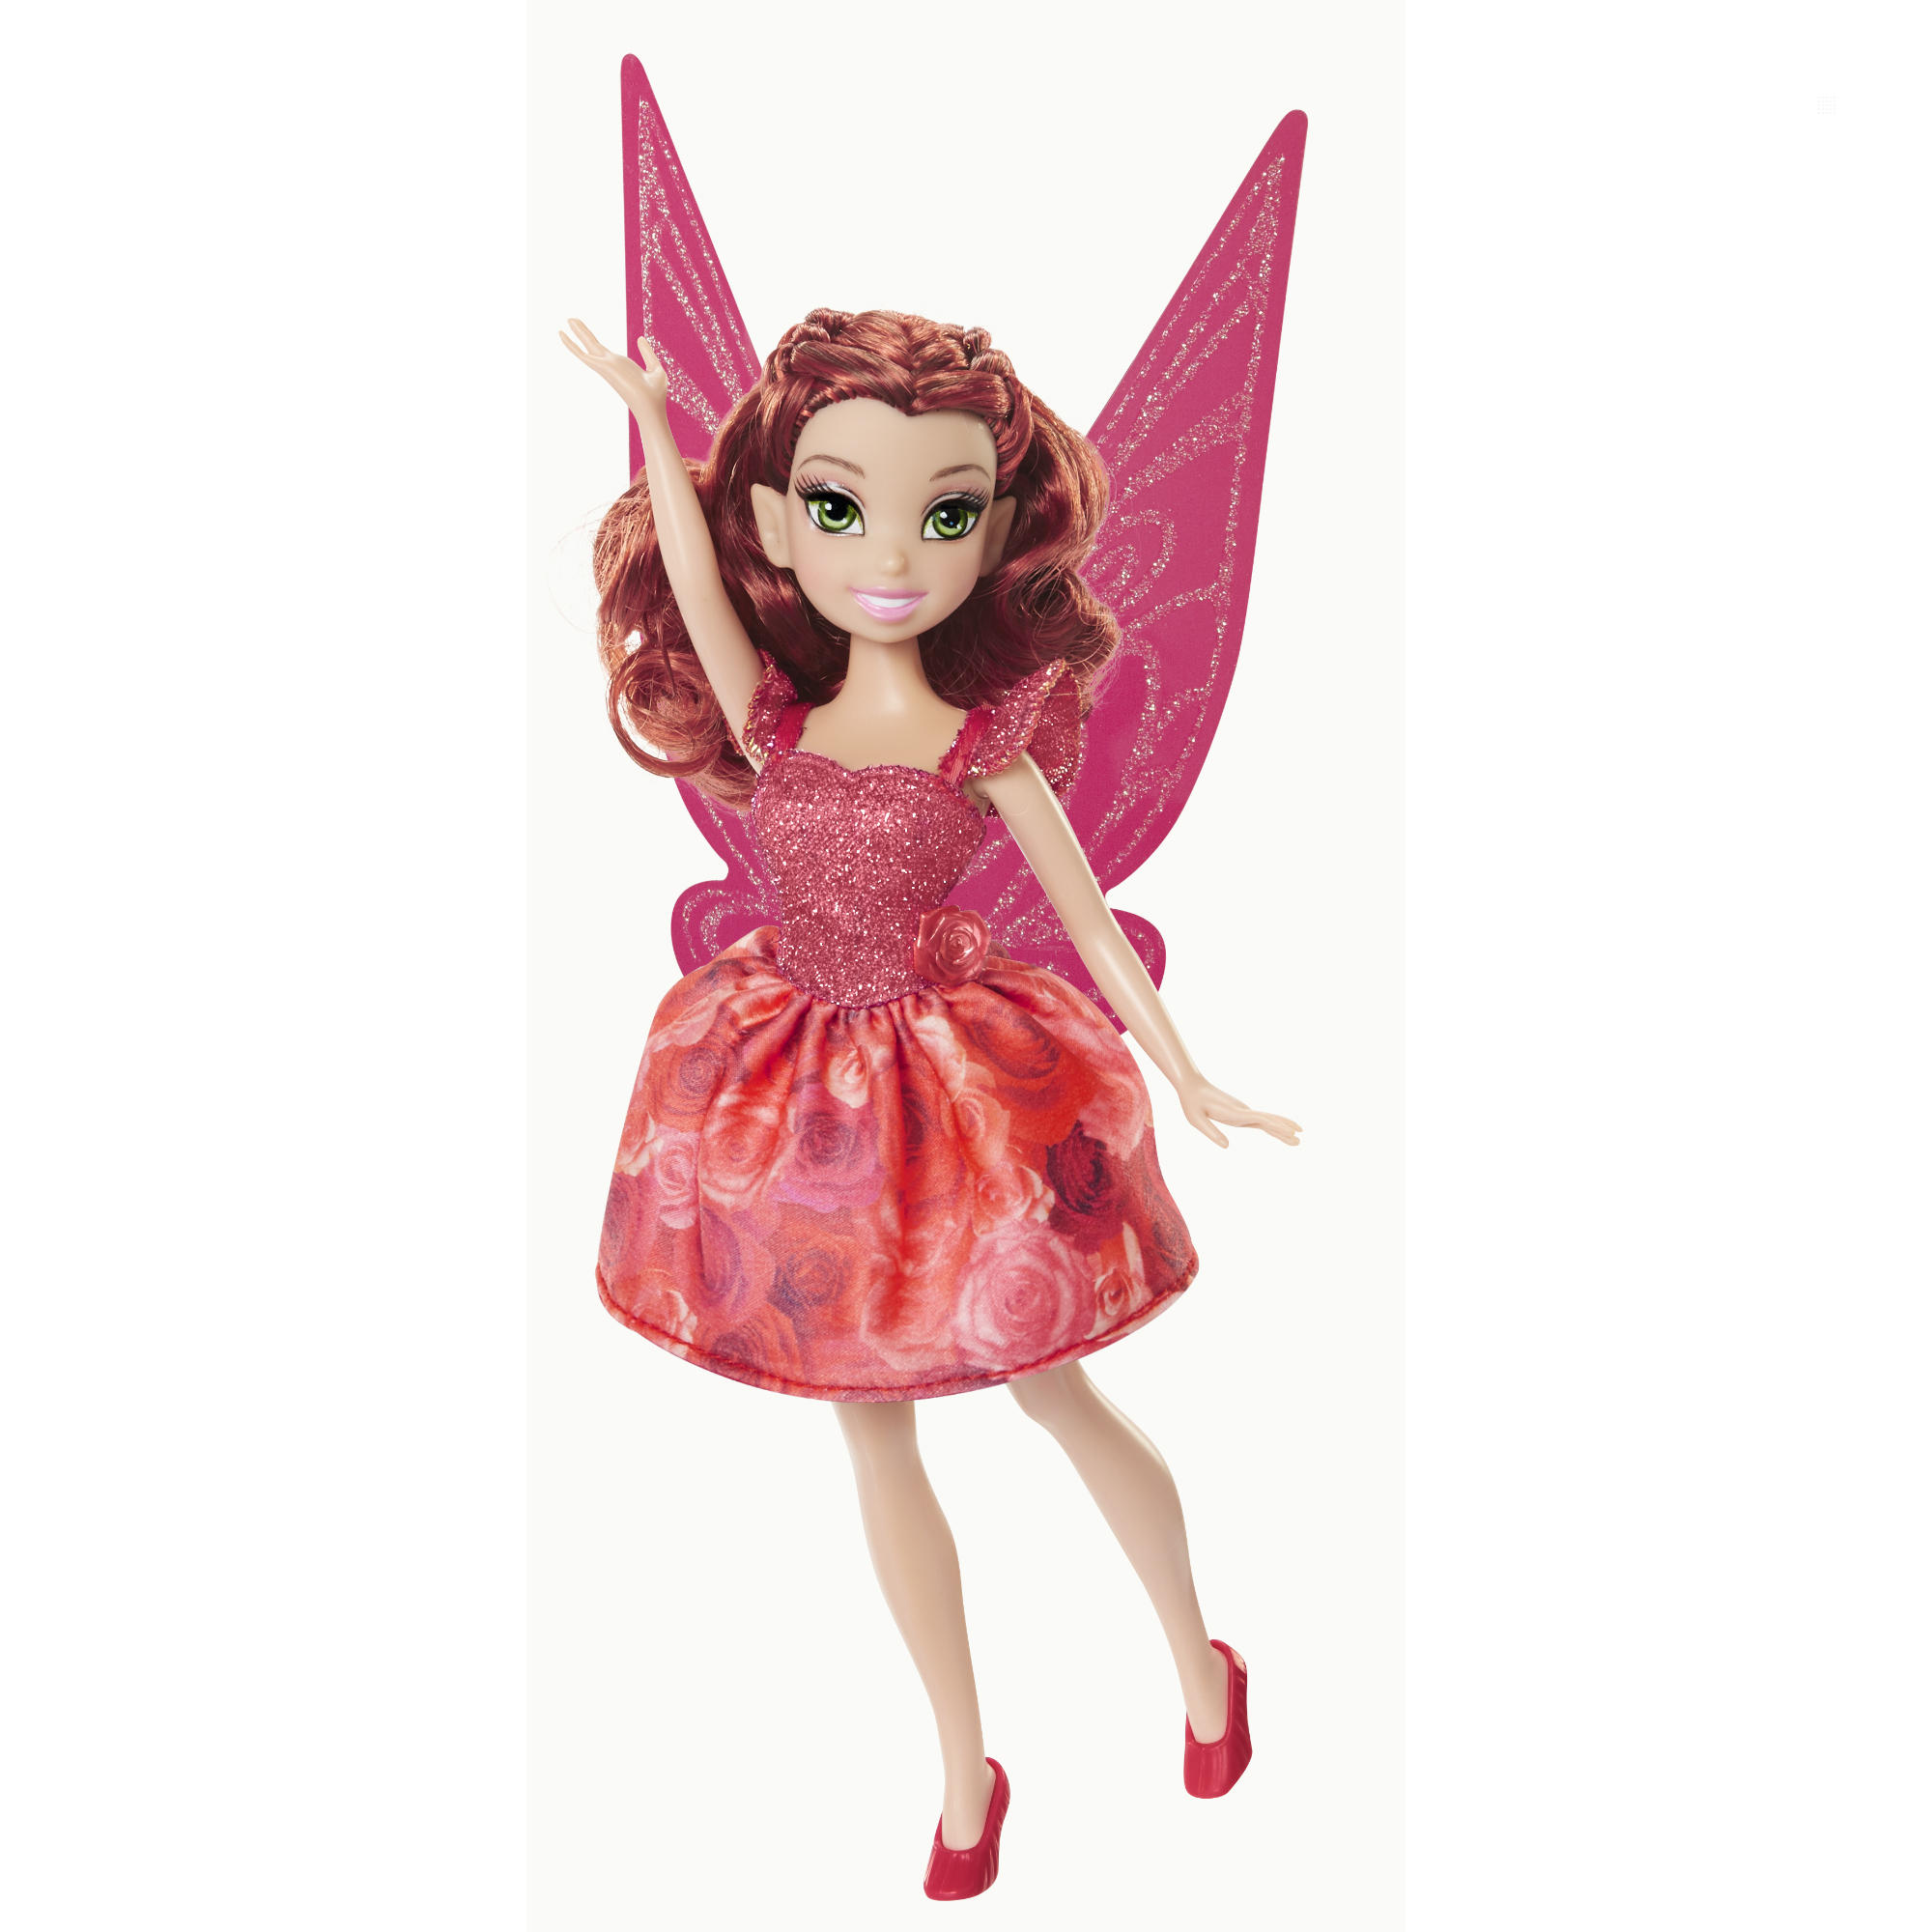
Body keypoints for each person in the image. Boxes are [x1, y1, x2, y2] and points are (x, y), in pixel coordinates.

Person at [561, 306, 1299, 1899]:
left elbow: (1086, 922)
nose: (890, 554)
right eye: (840, 508)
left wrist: (1188, 1070)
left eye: (943, 514)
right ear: (779, 526)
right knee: (873, 1432)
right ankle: (967, 1773)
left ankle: (1202, 1662)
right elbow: (690, 576)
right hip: (800, 1094)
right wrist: (655, 423)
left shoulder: (988, 743)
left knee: (1056, 1392)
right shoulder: (773, 712)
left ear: (995, 529)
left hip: (953, 1092)